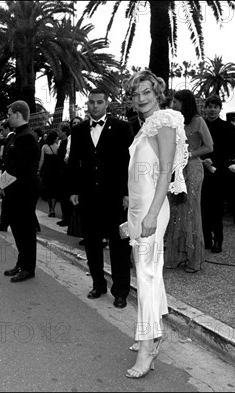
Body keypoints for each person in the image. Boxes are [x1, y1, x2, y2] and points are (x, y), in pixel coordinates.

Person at [123, 70, 188, 378]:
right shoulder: (146, 125)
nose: (141, 98)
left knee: (146, 275)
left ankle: (149, 348)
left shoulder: (165, 121)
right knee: (149, 272)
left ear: (157, 92)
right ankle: (150, 333)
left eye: (146, 92)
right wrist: (133, 210)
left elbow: (164, 173)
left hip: (151, 209)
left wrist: (150, 214)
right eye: (136, 94)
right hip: (138, 209)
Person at [68, 88, 134, 308]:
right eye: (91, 103)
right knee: (92, 245)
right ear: (87, 105)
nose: (94, 106)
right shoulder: (77, 131)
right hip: (88, 198)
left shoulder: (123, 128)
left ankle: (121, 291)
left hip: (115, 198)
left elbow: (129, 163)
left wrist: (127, 193)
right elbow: (73, 163)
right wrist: (74, 190)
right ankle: (98, 284)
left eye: (99, 102)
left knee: (120, 246)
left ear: (107, 104)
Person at [165, 89, 213, 273]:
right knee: (176, 211)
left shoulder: (198, 121)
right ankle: (178, 256)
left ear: (184, 103)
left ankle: (194, 258)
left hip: (193, 169)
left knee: (191, 210)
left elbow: (209, 146)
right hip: (176, 169)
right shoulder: (174, 121)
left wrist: (189, 154)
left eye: (176, 101)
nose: (172, 104)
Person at [0, 100, 40, 283]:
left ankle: (28, 268)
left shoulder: (27, 137)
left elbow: (20, 168)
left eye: (9, 115)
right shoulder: (16, 136)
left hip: (24, 192)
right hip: (14, 192)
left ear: (18, 114)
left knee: (26, 231)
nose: (7, 118)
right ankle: (21, 263)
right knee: (17, 230)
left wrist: (0, 182)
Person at [201, 95, 235, 253]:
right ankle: (206, 238)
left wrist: (214, 161)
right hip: (201, 170)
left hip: (219, 171)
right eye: (209, 106)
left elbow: (229, 152)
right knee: (203, 207)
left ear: (220, 109)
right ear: (205, 107)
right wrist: (203, 159)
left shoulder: (228, 127)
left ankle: (218, 240)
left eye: (215, 107)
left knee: (217, 208)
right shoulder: (200, 125)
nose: (212, 110)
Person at [0, 122, 15, 232]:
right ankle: (3, 223)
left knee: (7, 201)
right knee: (7, 201)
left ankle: (4, 224)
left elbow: (6, 158)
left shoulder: (11, 139)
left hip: (9, 175)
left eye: (2, 130)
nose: (1, 133)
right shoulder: (10, 139)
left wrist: (2, 175)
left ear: (6, 129)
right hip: (7, 173)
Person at [38, 129, 60, 217]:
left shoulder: (44, 147)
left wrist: (39, 170)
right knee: (54, 190)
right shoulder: (57, 147)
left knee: (47, 190)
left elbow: (42, 160)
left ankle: (50, 208)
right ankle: (53, 209)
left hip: (46, 171)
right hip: (55, 171)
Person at [56, 121, 72, 226]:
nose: (58, 133)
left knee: (67, 197)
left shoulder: (69, 142)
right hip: (60, 172)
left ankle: (68, 219)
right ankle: (64, 217)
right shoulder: (61, 142)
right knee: (62, 197)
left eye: (59, 131)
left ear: (64, 132)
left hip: (67, 173)